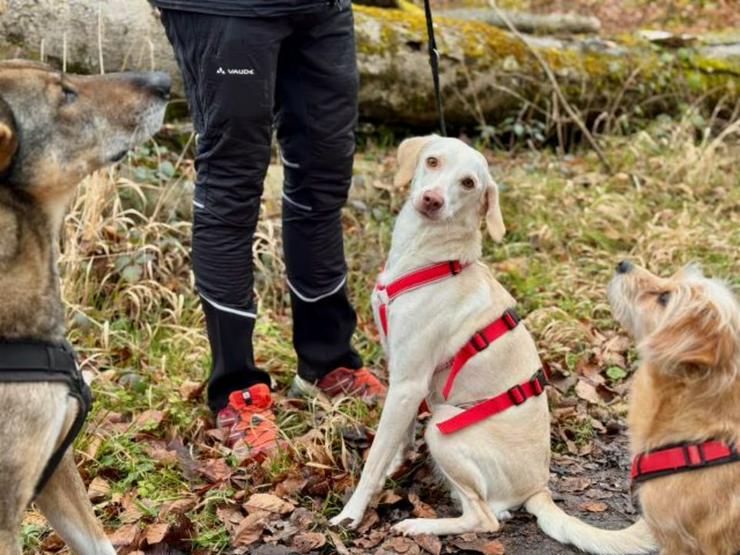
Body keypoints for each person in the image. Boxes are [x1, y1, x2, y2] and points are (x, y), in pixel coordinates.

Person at [153, 0, 386, 460]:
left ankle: (327, 361)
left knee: (324, 176)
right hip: (224, 10)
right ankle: (236, 387)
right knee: (231, 184)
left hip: (321, 9)